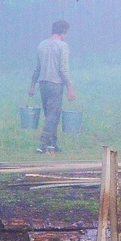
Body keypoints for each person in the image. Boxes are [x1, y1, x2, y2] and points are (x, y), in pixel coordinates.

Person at [28, 19, 77, 153]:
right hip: (55, 83)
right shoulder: (62, 46)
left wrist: (32, 85)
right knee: (53, 114)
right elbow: (63, 69)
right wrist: (70, 87)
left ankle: (52, 144)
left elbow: (36, 69)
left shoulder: (41, 45)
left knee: (49, 114)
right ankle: (43, 143)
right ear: (63, 32)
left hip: (42, 83)